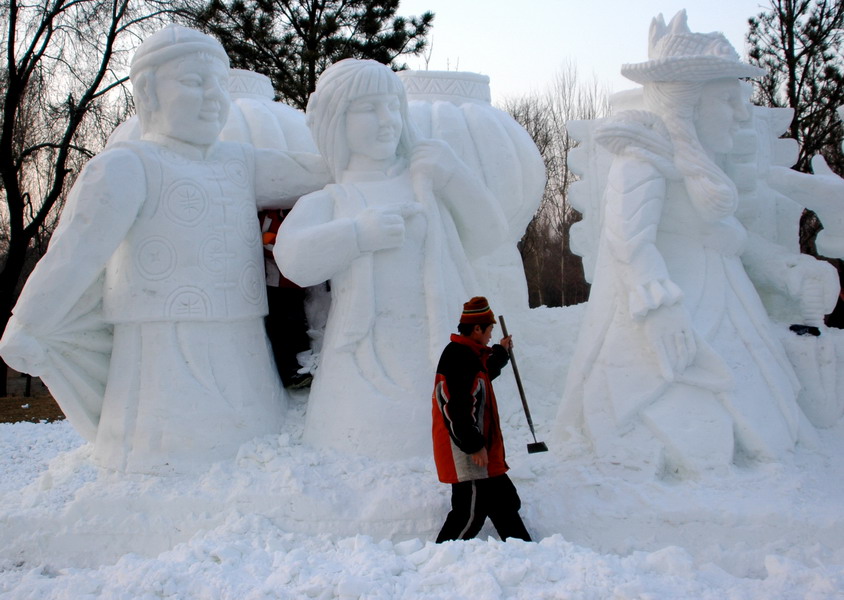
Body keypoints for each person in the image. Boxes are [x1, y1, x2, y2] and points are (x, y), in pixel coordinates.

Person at [0, 25, 328, 474]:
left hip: (240, 335)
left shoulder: (240, 162)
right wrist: (27, 321)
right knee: (160, 447)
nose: (213, 96)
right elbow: (76, 253)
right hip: (157, 341)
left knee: (251, 433)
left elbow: (318, 173)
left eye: (218, 84)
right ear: (148, 94)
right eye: (194, 82)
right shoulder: (127, 165)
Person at [556, 11, 838, 476]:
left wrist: (792, 273)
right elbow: (629, 242)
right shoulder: (644, 162)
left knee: (767, 425)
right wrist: (661, 311)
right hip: (670, 323)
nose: (741, 112)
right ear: (688, 104)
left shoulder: (705, 172)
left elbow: (732, 243)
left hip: (730, 314)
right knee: (691, 436)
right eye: (728, 99)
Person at [275, 59, 507, 458]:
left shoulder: (428, 181)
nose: (387, 120)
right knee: (368, 441)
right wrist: (357, 235)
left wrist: (452, 174)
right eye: (368, 108)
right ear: (337, 121)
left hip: (436, 344)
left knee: (450, 423)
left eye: (392, 106)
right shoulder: (333, 199)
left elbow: (490, 235)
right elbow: (293, 260)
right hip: (366, 356)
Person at [431, 297, 531, 542]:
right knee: (468, 514)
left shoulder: (469, 355)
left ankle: (528, 553)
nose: (489, 335)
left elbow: (483, 375)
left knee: (505, 502)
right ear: (477, 328)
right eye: (489, 330)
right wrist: (474, 445)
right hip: (466, 451)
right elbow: (456, 408)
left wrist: (500, 351)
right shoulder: (459, 358)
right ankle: (441, 561)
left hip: (479, 448)